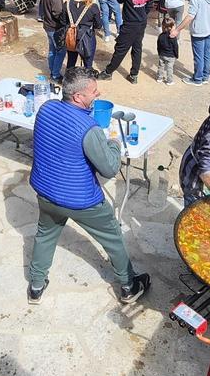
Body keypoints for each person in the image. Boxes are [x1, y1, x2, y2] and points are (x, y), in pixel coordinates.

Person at [25, 68, 151, 305]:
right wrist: (113, 143)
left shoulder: (45, 108)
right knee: (112, 237)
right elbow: (109, 169)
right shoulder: (89, 127)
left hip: (46, 191)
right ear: (78, 97)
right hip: (81, 200)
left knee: (45, 235)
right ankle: (128, 286)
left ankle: (36, 285)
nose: (98, 93)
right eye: (93, 91)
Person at [98, 0, 153, 84]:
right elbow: (149, 5)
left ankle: (108, 72)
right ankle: (134, 75)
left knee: (121, 49)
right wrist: (142, 14)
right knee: (137, 48)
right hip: (141, 22)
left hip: (130, 23)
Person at [64, 0, 101, 74]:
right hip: (87, 36)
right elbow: (98, 25)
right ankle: (87, 82)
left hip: (72, 35)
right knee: (88, 63)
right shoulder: (93, 7)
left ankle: (69, 80)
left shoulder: (67, 4)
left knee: (71, 61)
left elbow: (63, 21)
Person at [39, 0, 68, 82]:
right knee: (60, 51)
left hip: (47, 25)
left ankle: (52, 69)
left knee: (52, 49)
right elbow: (58, 13)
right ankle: (55, 74)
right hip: (55, 27)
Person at [156, 17, 178, 85]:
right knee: (169, 68)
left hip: (162, 54)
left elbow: (158, 46)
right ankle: (169, 81)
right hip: (170, 56)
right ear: (171, 27)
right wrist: (176, 55)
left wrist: (159, 53)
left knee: (161, 66)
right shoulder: (173, 37)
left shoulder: (160, 36)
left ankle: (159, 78)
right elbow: (175, 47)